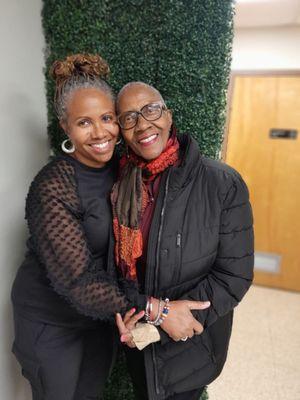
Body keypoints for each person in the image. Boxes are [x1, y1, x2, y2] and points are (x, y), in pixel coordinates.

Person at [113, 82, 254, 400]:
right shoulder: (120, 185)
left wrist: (159, 326)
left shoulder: (222, 183)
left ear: (168, 114)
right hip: (136, 344)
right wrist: (140, 319)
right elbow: (113, 271)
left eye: (151, 110)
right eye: (129, 118)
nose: (143, 124)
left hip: (189, 347)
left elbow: (234, 276)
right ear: (121, 130)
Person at [10, 53, 138, 400]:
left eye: (107, 118)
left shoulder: (125, 169)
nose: (100, 133)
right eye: (84, 123)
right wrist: (154, 310)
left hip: (99, 317)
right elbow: (76, 280)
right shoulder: (53, 186)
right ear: (66, 127)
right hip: (51, 322)